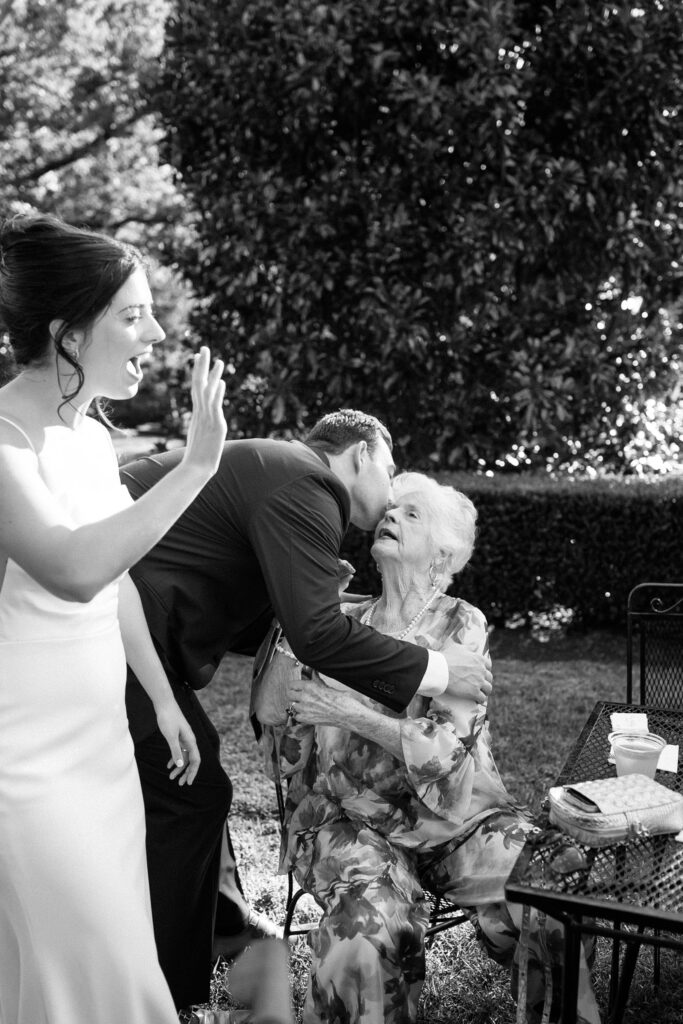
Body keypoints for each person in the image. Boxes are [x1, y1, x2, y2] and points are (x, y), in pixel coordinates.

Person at [120, 410, 494, 1012]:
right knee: (193, 789)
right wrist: (440, 671)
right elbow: (310, 644)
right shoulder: (306, 482)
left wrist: (302, 603)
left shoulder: (279, 473)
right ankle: (172, 984)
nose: (391, 502)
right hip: (115, 618)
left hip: (131, 616)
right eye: (391, 477)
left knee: (193, 783)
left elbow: (266, 616)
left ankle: (222, 930)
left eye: (413, 510)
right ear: (364, 453)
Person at [253, 472, 601, 1024]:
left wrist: (346, 713)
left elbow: (442, 749)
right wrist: (303, 608)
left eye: (411, 513)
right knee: (366, 925)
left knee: (555, 876)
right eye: (390, 509)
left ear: (443, 553)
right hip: (351, 821)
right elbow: (273, 711)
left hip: (457, 817)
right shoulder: (337, 622)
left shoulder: (462, 625)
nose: (389, 516)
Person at [0, 213, 228, 1024]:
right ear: (68, 335)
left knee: (89, 960)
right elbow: (70, 569)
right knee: (89, 970)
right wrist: (196, 467)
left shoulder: (92, 437)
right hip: (23, 767)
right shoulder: (2, 443)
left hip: (100, 754)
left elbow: (117, 583)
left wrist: (162, 702)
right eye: (133, 315)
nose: (156, 331)